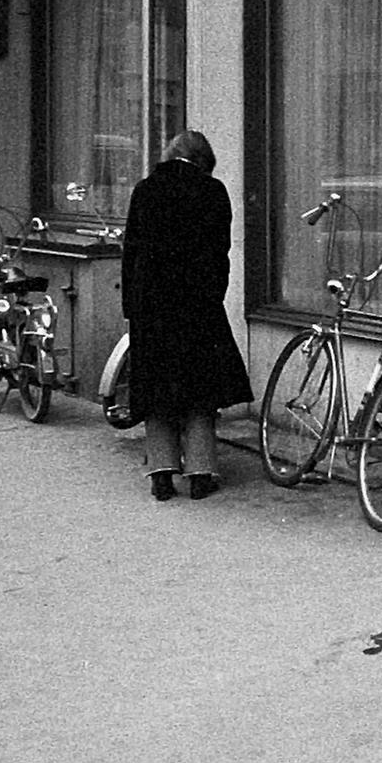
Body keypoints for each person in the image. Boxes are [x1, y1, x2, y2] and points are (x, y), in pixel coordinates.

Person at [120, 131, 254, 502]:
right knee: (199, 391)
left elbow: (130, 254)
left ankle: (162, 474)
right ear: (203, 160)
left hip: (152, 306)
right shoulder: (213, 192)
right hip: (197, 306)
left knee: (157, 388)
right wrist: (213, 296)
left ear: (172, 153)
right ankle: (200, 473)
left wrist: (132, 307)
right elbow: (220, 253)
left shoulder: (145, 190)